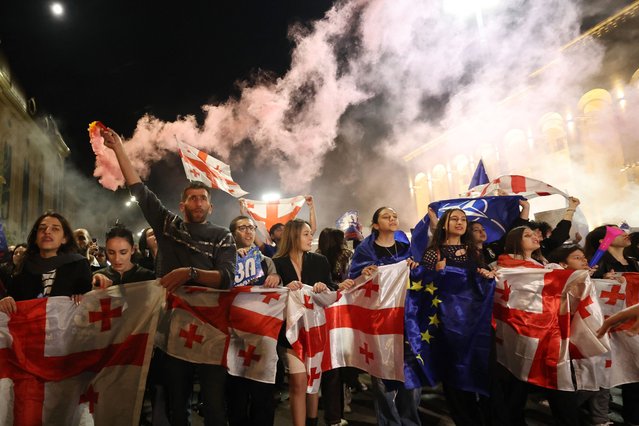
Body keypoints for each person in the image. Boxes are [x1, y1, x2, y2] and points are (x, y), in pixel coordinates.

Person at [102, 127, 236, 426]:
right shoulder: (167, 226)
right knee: (177, 406)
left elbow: (227, 278)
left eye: (203, 198)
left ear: (210, 206)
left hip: (213, 328)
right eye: (192, 198)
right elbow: (139, 190)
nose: (198, 202)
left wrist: (188, 273)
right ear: (182, 205)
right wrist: (118, 150)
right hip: (173, 329)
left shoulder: (222, 235)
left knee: (215, 407)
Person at [272, 219, 354, 426]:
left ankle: (312, 421)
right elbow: (272, 296)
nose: (311, 238)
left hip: (316, 329)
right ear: (293, 236)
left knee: (313, 380)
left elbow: (330, 290)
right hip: (290, 333)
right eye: (306, 234)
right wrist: (282, 286)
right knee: (298, 382)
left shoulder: (319, 261)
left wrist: (324, 287)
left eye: (311, 233)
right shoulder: (276, 263)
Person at [420, 208, 495, 426]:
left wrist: (487, 275)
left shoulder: (474, 251)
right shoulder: (434, 252)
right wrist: (436, 272)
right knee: (455, 372)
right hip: (448, 324)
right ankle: (464, 419)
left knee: (478, 369)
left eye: (463, 219)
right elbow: (425, 288)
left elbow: (480, 280)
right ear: (445, 224)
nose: (460, 223)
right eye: (454, 219)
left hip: (475, 321)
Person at [348, 207, 420, 426]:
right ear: (376, 225)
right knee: (381, 373)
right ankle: (389, 422)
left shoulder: (407, 249)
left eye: (395, 216)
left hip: (406, 318)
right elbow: (353, 280)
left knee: (411, 372)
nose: (392, 218)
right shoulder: (364, 250)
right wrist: (364, 273)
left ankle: (410, 420)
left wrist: (414, 267)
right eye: (386, 216)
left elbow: (417, 280)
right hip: (378, 320)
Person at [226, 215, 280, 426]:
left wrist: (276, 279)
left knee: (262, 391)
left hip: (261, 334)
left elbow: (277, 290)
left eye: (251, 227)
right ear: (232, 234)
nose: (248, 232)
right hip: (233, 336)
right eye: (242, 228)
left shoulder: (266, 262)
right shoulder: (224, 259)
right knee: (236, 391)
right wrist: (231, 258)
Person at [584, 225, 639, 425]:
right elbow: (586, 286)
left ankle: (633, 416)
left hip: (632, 325)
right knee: (608, 371)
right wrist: (601, 280)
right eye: (616, 231)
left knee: (633, 369)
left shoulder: (634, 262)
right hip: (610, 327)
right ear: (603, 241)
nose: (625, 233)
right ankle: (599, 416)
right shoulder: (597, 264)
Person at [0, 212, 92, 314]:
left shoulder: (79, 264)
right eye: (42, 228)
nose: (47, 231)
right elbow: (14, 299)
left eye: (55, 229)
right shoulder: (24, 266)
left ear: (64, 238)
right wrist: (6, 301)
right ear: (35, 238)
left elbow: (92, 301)